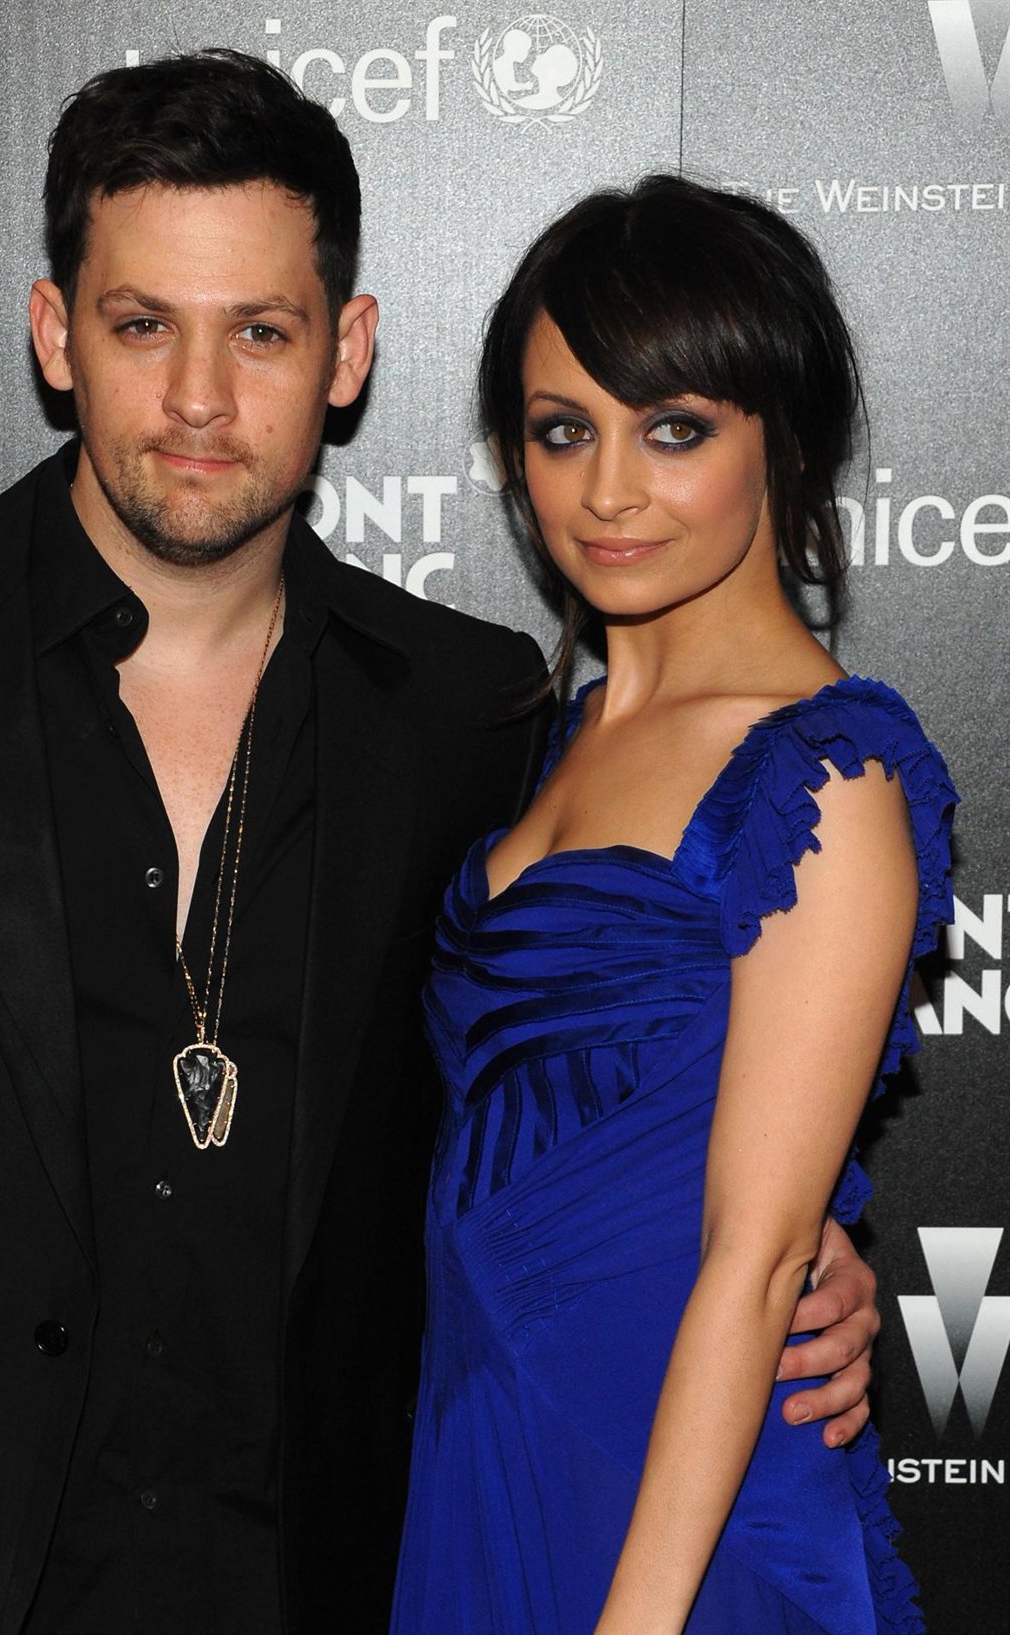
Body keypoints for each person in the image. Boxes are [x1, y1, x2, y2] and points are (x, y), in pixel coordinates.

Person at [0, 55, 878, 1635]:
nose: (198, 398)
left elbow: (583, 1066)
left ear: (347, 350)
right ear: (54, 333)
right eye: (141, 325)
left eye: (259, 331)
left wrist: (796, 1247)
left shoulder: (475, 716)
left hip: (345, 1578)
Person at [392, 176, 956, 1635]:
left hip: (683, 1507)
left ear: (786, 440)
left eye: (676, 429)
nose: (608, 490)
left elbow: (757, 1261)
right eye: (561, 430)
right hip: (492, 1432)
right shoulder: (554, 736)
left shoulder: (826, 772)